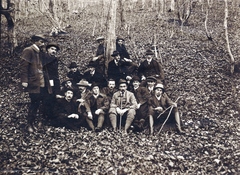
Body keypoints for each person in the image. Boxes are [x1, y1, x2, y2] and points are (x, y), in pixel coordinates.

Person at [19, 34, 48, 132]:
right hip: (33, 82)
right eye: (41, 41)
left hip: (41, 82)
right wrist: (24, 80)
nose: (43, 44)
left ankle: (34, 123)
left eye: (43, 42)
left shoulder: (39, 52)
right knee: (34, 104)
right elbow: (23, 67)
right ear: (35, 41)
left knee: (38, 103)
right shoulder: (28, 50)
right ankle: (29, 124)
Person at [41, 42, 61, 124]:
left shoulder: (55, 59)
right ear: (47, 49)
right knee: (45, 98)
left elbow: (55, 73)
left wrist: (57, 83)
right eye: (52, 49)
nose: (54, 51)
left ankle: (51, 116)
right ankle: (45, 117)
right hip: (44, 81)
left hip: (53, 81)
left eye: (55, 50)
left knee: (52, 97)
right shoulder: (43, 58)